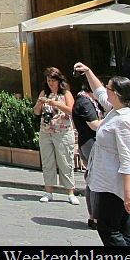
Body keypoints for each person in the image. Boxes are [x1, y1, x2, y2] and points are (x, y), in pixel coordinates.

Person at [74, 62, 130, 246]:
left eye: (109, 88)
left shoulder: (124, 121)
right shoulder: (115, 110)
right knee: (124, 226)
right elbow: (98, 92)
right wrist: (88, 71)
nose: (106, 90)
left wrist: (128, 194)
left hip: (117, 184)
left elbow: (128, 159)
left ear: (117, 94)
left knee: (108, 228)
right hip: (110, 180)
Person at [33, 67, 78, 204]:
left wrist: (57, 104)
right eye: (48, 80)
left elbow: (71, 111)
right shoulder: (44, 93)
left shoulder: (66, 94)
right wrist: (39, 103)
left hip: (63, 132)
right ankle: (48, 191)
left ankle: (70, 192)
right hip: (46, 132)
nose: (50, 83)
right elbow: (36, 112)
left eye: (53, 80)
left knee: (65, 161)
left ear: (59, 81)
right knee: (48, 162)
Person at [72, 78, 104, 228]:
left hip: (86, 143)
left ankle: (94, 216)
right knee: (95, 180)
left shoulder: (84, 100)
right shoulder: (85, 102)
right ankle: (95, 216)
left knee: (91, 179)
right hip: (90, 143)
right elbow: (94, 125)